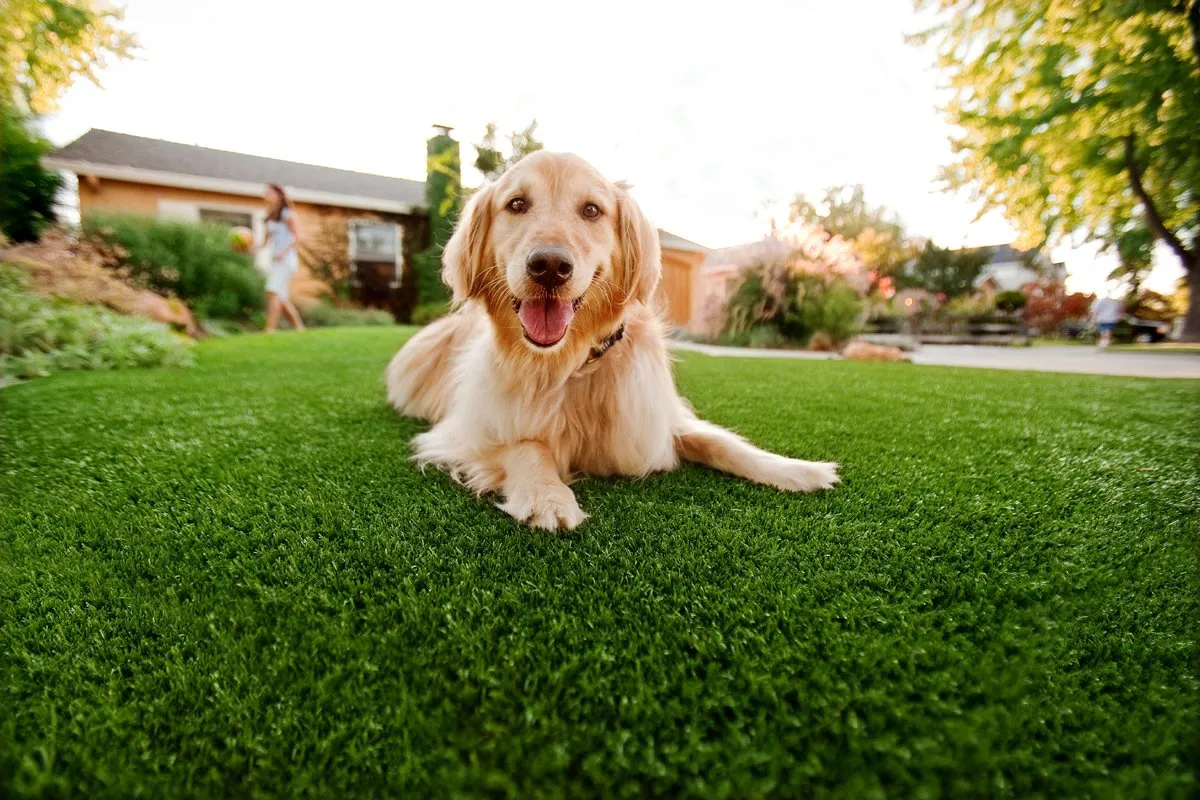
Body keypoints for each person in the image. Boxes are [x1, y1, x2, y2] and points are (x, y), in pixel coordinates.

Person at [257, 183, 306, 333]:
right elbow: (264, 243)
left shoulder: (287, 214)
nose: (266, 195)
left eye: (270, 192)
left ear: (279, 195)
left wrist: (284, 251)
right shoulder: (269, 218)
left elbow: (299, 237)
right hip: (275, 261)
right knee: (281, 297)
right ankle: (299, 328)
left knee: (273, 291)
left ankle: (270, 329)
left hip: (286, 259)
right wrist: (247, 247)